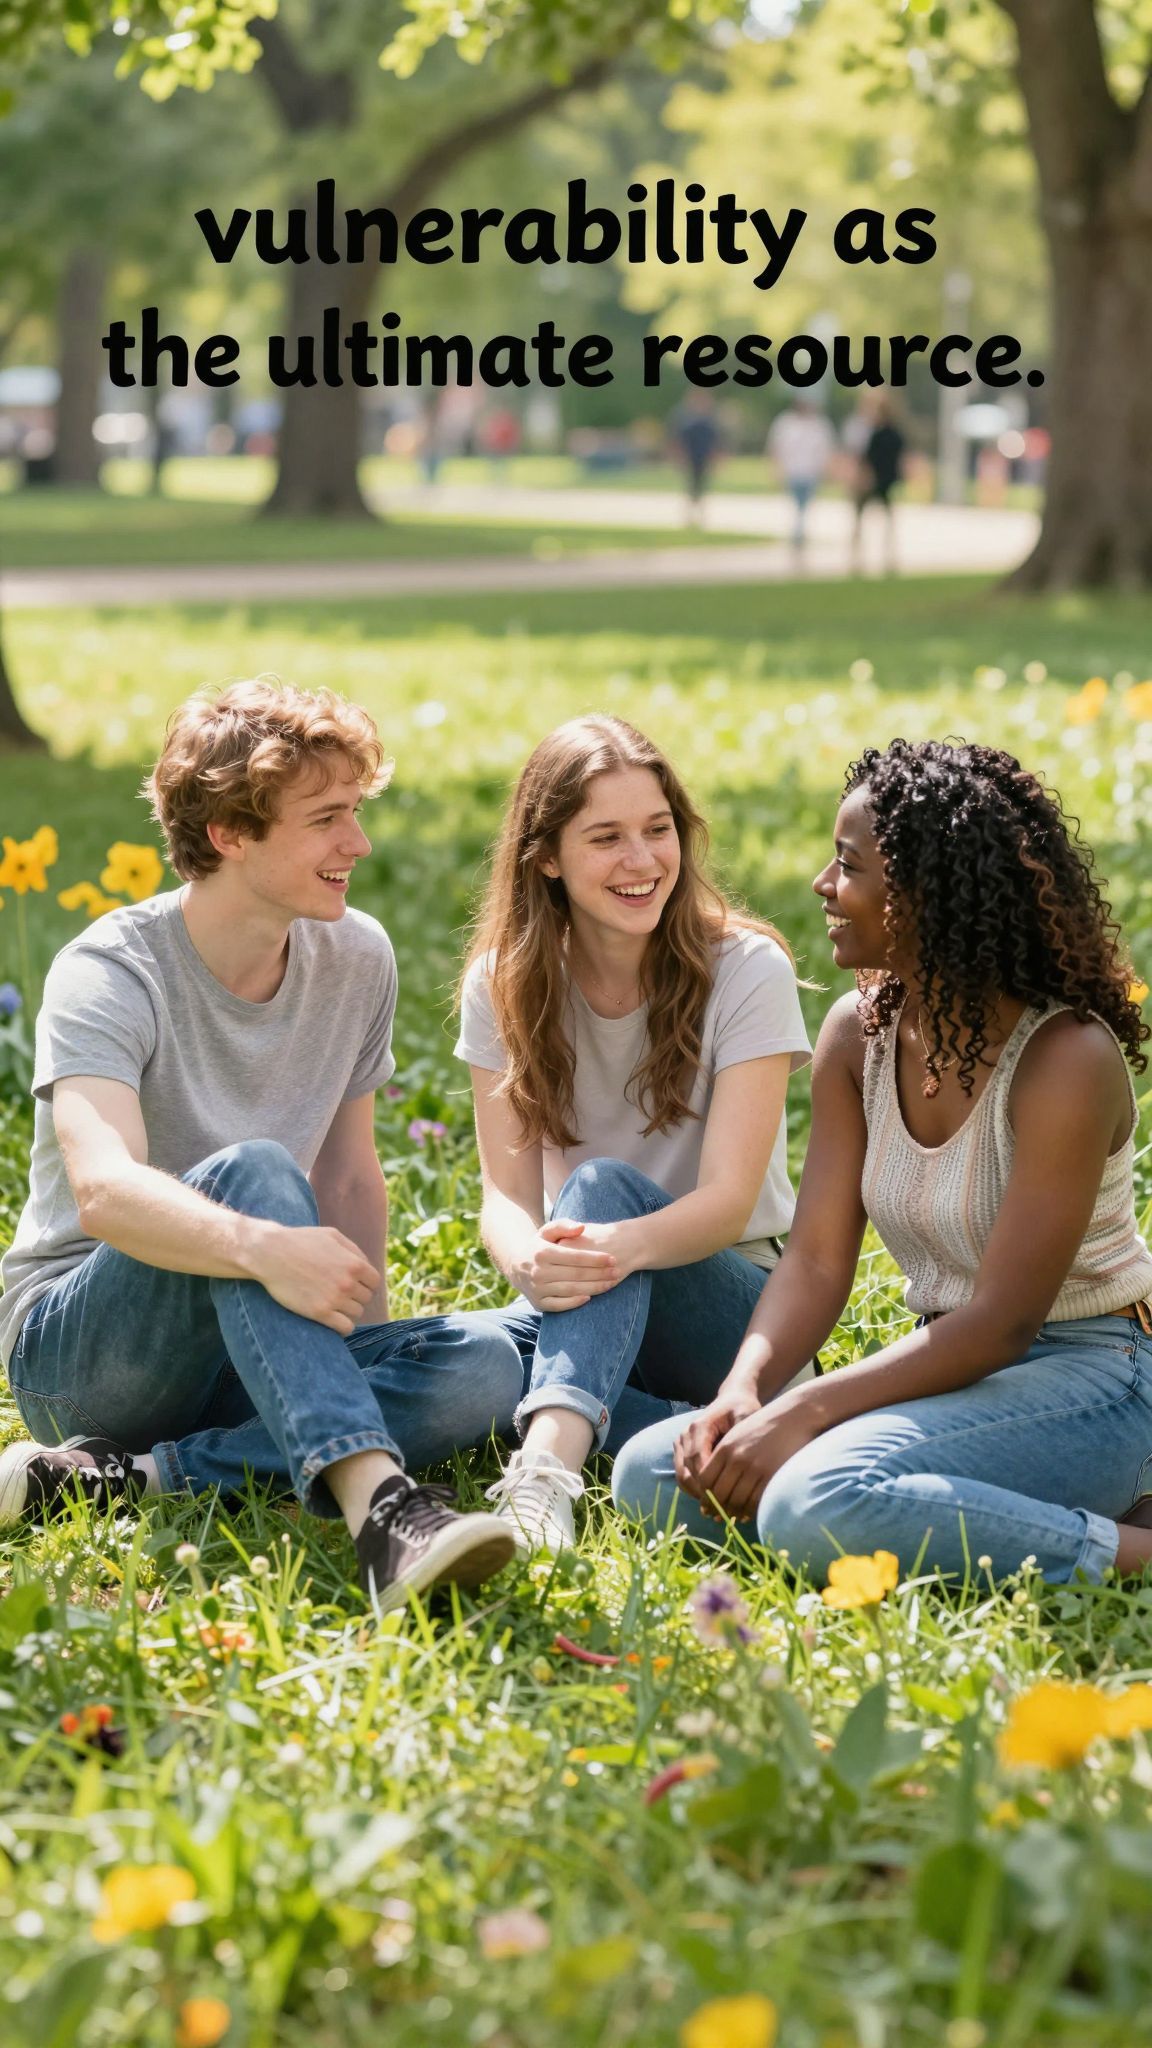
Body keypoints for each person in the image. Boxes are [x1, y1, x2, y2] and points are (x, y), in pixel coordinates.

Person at [0, 679, 521, 1612]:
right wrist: (264, 1246)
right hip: (87, 1354)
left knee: (489, 1367)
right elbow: (104, 1192)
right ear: (230, 833)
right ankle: (383, 1509)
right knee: (255, 1172)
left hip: (254, 1340)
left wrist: (350, 1357)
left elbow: (348, 1178)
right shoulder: (109, 971)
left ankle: (129, 1479)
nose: (358, 843)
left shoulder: (357, 956)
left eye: (355, 812)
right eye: (326, 819)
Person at [613, 738, 1152, 1587]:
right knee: (650, 1472)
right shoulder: (857, 1036)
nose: (823, 885)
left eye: (849, 865)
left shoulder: (1065, 1059)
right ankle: (926, 1508)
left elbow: (1004, 1323)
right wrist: (745, 1390)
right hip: (946, 1366)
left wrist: (804, 1410)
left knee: (812, 1502)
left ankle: (1128, 1548)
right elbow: (817, 1260)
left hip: (1096, 1377)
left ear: (925, 895)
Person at [455, 715, 814, 1555]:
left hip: (734, 1310)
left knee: (599, 1188)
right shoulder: (503, 984)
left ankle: (543, 1477)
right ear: (546, 857)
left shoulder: (745, 969)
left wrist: (605, 1246)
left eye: (658, 830)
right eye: (606, 838)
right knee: (454, 1362)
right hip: (586, 1295)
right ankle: (165, 1468)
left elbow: (729, 1203)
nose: (643, 860)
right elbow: (505, 1199)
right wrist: (529, 1260)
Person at [766, 397, 836, 558]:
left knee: (804, 504)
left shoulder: (819, 424)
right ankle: (798, 532)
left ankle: (799, 532)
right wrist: (775, 468)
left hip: (811, 472)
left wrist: (827, 469)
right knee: (797, 503)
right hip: (793, 471)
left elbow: (825, 449)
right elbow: (777, 446)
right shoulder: (785, 423)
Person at [849, 393, 905, 574]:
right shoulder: (894, 434)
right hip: (886, 481)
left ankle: (858, 559)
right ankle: (884, 558)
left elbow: (867, 459)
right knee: (885, 521)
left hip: (876, 481)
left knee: (861, 519)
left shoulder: (876, 435)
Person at [668, 392, 723, 524]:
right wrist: (678, 456)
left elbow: (716, 441)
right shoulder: (685, 420)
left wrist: (716, 457)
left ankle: (700, 513)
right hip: (690, 458)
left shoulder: (710, 421)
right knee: (690, 486)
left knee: (702, 486)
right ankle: (690, 513)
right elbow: (678, 440)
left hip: (703, 458)